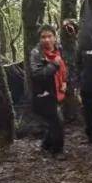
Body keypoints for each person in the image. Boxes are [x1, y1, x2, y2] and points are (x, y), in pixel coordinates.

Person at [28, 25, 68, 157]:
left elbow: (65, 67)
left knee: (53, 121)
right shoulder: (36, 53)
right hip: (43, 93)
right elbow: (37, 74)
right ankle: (58, 151)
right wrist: (53, 65)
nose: (46, 40)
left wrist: (64, 81)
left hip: (58, 90)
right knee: (57, 121)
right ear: (39, 39)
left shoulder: (59, 49)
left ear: (55, 37)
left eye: (49, 36)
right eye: (43, 37)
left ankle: (45, 144)